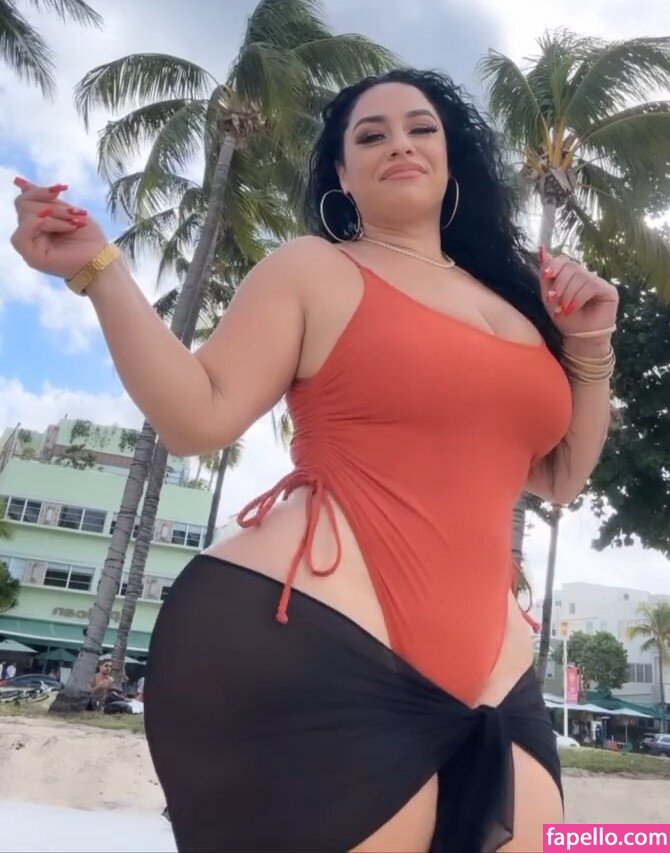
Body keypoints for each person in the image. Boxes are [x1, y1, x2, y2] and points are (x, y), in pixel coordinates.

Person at [10, 67, 618, 852]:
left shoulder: (520, 309)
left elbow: (559, 476)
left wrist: (590, 345)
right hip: (330, 642)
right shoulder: (314, 269)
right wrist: (98, 269)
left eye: (420, 128)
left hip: (497, 674)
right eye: (371, 134)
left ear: (450, 159)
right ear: (342, 174)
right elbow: (198, 415)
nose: (399, 143)